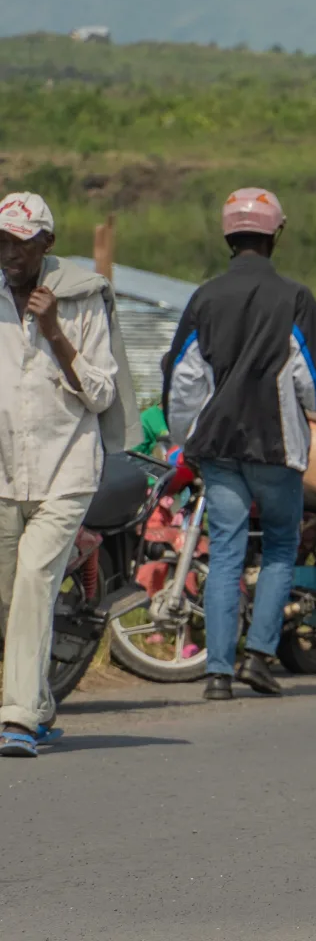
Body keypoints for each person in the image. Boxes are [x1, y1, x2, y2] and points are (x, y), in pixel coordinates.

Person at [163, 188, 316, 701]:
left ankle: (217, 673)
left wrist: (183, 440)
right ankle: (259, 659)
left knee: (225, 555)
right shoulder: (296, 298)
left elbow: (183, 379)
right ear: (274, 235)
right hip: (276, 446)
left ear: (228, 236)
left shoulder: (205, 298)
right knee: (281, 545)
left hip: (218, 448)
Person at [0, 192, 136, 755]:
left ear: (45, 245)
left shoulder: (80, 298)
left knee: (33, 582)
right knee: (9, 599)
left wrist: (55, 331)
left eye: (19, 242)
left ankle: (16, 722)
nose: (8, 251)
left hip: (66, 471)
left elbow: (101, 393)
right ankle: (39, 703)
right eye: (1, 240)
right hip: (4, 473)